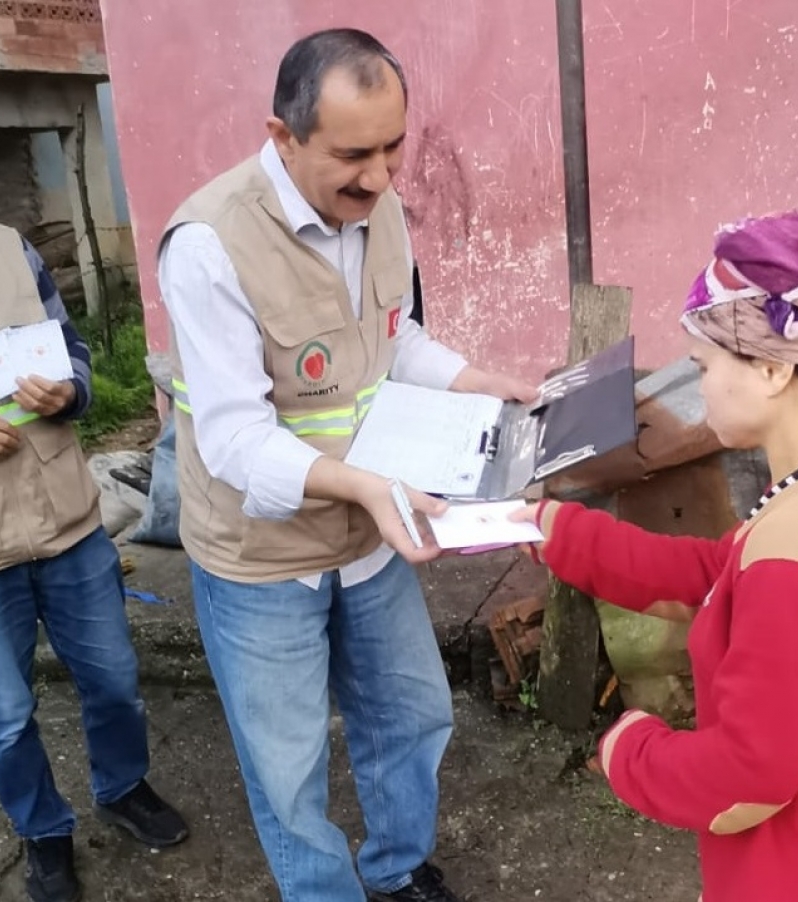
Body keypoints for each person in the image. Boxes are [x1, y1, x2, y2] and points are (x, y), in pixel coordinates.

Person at [158, 27, 536, 902]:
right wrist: (367, 486)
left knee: (412, 716)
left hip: (369, 536)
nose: (379, 178)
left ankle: (396, 870)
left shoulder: (379, 208)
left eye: (393, 148)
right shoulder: (210, 243)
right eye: (353, 155)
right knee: (286, 770)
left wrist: (477, 382)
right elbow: (234, 440)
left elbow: (395, 341)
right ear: (283, 135)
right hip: (262, 557)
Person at [516, 212, 798, 902]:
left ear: (774, 368)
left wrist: (631, 750)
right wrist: (560, 533)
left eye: (704, 366)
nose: (700, 389)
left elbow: (745, 780)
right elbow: (724, 575)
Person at [0, 169, 188, 902]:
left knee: (113, 679)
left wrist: (70, 390)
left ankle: (122, 786)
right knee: (6, 715)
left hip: (67, 521)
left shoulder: (6, 246)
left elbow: (71, 349)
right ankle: (43, 831)